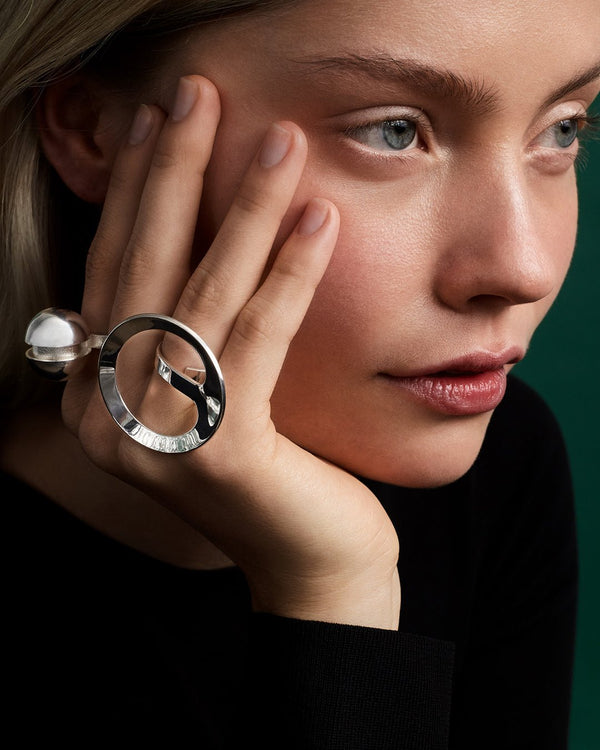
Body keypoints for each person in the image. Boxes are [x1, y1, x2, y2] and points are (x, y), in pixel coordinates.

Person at [1, 0, 598, 746]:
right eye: (394, 130)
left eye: (563, 128)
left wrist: (338, 594)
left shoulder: (506, 464)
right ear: (94, 130)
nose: (523, 269)